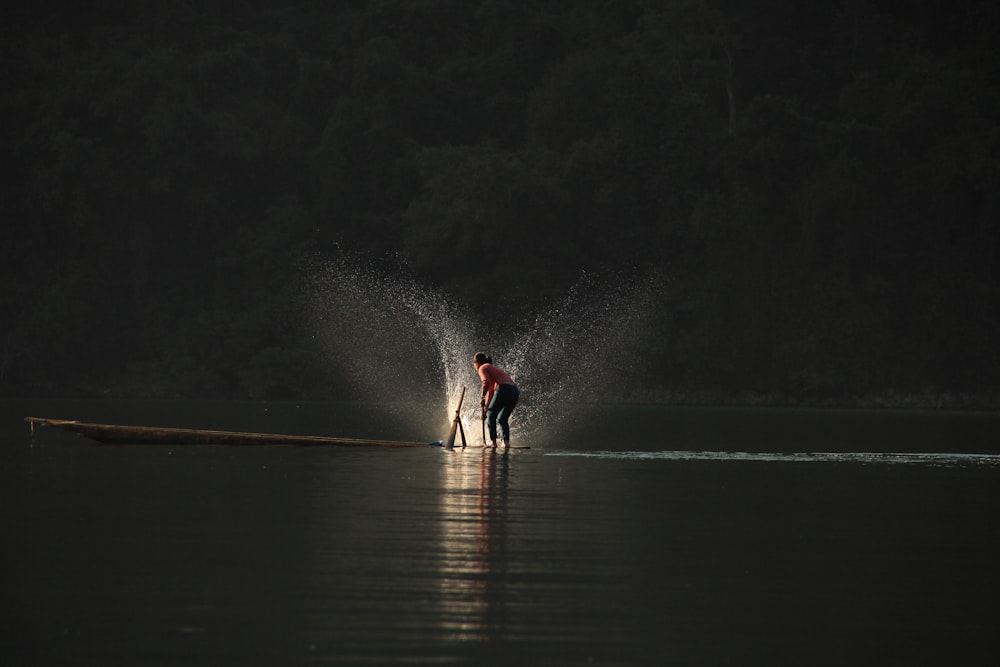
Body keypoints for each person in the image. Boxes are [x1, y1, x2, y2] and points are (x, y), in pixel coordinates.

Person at [473, 352, 519, 450]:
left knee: (491, 415)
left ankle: (493, 442)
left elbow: (486, 382)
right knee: (502, 418)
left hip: (504, 388)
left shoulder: (483, 367)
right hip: (514, 391)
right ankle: (505, 442)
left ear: (477, 363)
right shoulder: (492, 369)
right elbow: (491, 394)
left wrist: (482, 397)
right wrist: (485, 411)